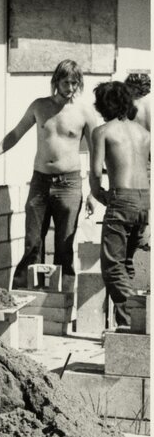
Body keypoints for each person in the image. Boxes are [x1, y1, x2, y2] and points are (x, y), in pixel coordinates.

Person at [0, 59, 99, 289]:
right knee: (33, 243)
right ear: (56, 81)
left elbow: (96, 154)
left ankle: (61, 304)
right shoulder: (39, 106)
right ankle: (26, 297)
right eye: (66, 83)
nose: (71, 88)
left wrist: (94, 192)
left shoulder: (85, 112)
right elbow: (16, 133)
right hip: (40, 182)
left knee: (64, 246)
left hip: (69, 185)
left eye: (75, 83)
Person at [88, 80, 150, 328]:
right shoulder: (144, 133)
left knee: (112, 266)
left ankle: (129, 322)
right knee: (126, 263)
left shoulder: (102, 131)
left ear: (103, 105)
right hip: (144, 198)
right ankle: (135, 322)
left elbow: (95, 172)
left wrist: (97, 193)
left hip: (121, 198)